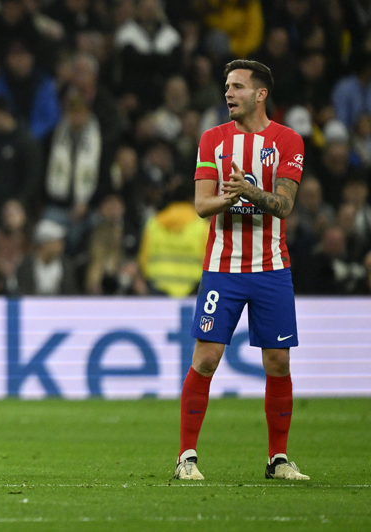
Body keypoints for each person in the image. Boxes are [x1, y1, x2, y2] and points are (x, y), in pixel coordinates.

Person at [175, 60, 310, 481]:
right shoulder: (213, 139)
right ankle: (186, 458)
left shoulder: (288, 140)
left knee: (278, 362)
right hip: (223, 268)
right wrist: (229, 199)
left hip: (272, 268)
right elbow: (202, 204)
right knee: (206, 359)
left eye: (237, 86)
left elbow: (284, 205)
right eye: (227, 86)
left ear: (260, 94)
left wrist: (248, 190)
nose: (228, 93)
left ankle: (278, 460)